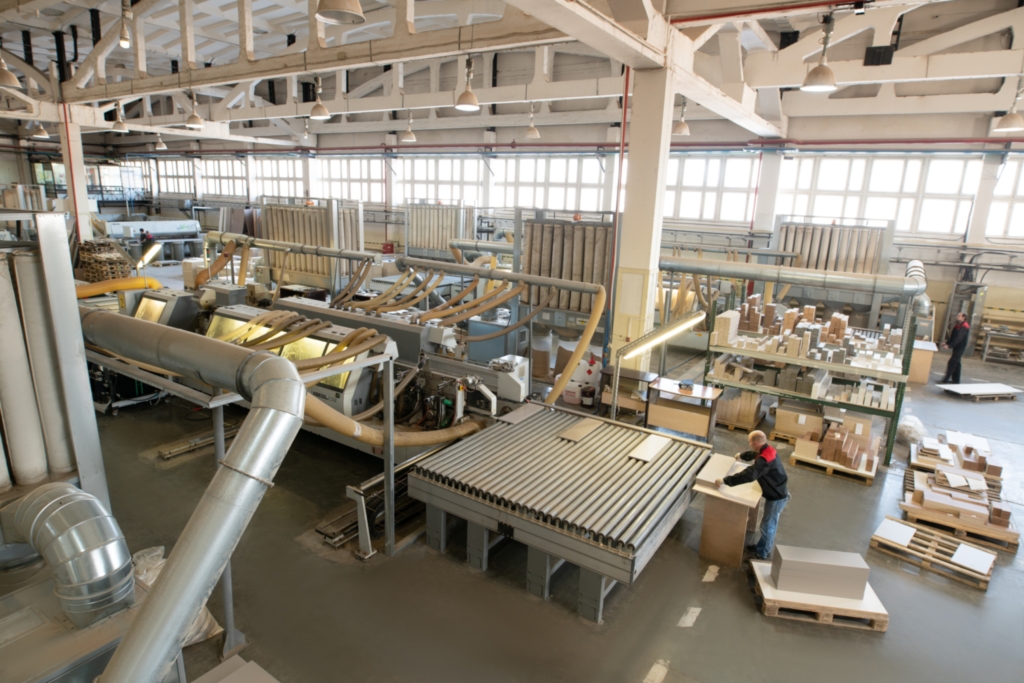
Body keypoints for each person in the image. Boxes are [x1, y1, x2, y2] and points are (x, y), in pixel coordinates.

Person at [715, 430, 790, 561]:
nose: (749, 444)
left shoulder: (765, 460)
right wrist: (742, 455)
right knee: (767, 524)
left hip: (776, 497)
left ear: (755, 443)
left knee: (768, 526)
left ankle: (762, 554)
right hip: (777, 491)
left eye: (750, 442)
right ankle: (762, 547)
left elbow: (750, 474)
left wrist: (726, 481)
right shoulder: (767, 450)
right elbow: (755, 455)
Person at [941, 312, 970, 384]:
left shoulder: (964, 326)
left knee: (952, 362)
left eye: (959, 316)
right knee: (957, 363)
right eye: (958, 315)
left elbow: (958, 338)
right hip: (956, 346)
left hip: (960, 347)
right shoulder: (957, 325)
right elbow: (953, 336)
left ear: (964, 318)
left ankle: (946, 379)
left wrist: (950, 346)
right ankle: (956, 380)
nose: (957, 316)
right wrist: (947, 342)